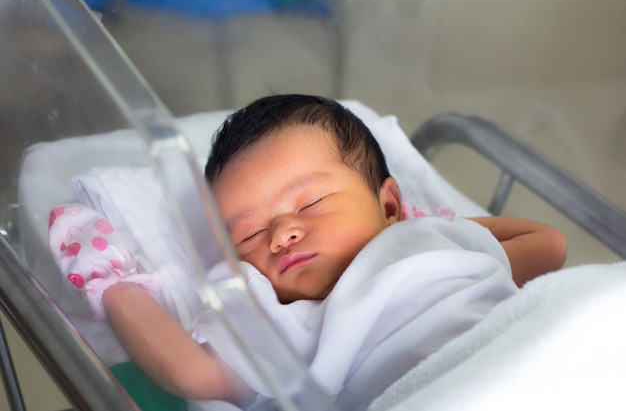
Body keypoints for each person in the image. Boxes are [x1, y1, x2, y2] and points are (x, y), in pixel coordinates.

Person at [50, 94, 567, 408]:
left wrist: (424, 228)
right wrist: (109, 276)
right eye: (248, 235)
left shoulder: (437, 242)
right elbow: (191, 371)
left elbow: (547, 245)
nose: (281, 235)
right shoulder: (299, 324)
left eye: (311, 202)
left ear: (389, 201)